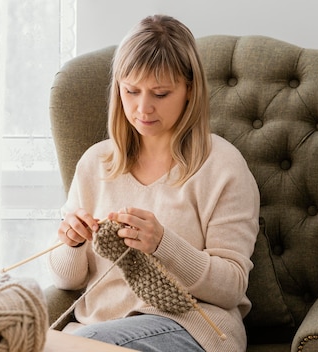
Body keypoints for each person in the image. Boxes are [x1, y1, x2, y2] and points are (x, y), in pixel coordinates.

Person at [47, 14, 259, 352]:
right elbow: (66, 280)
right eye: (131, 91)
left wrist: (163, 244)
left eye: (160, 93)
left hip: (191, 326)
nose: (143, 108)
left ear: (190, 90)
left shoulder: (222, 166)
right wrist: (70, 243)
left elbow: (232, 286)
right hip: (98, 329)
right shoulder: (95, 163)